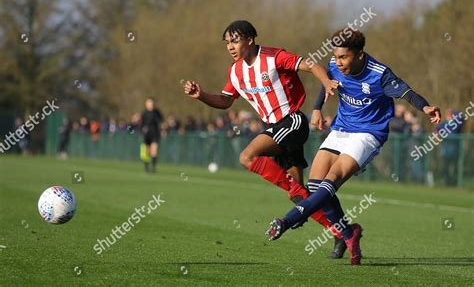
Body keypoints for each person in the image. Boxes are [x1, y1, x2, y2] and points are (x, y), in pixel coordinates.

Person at [265, 28, 441, 265]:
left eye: (343, 57)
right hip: (341, 129)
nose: (338, 62)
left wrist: (426, 107)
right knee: (316, 185)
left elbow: (407, 92)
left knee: (332, 179)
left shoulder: (380, 74)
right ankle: (349, 233)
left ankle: (287, 221)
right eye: (336, 57)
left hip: (368, 134)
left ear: (360, 55)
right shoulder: (336, 64)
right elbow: (327, 81)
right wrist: (317, 107)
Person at [183, 20, 347, 258]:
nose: (230, 46)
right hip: (277, 129)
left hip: (292, 122)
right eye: (227, 42)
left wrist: (326, 82)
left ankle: (310, 206)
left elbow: (311, 65)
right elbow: (226, 101)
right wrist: (201, 96)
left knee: (247, 156)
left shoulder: (273, 57)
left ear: (250, 39)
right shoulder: (235, 71)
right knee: (299, 195)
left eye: (235, 40)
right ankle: (343, 233)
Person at [140, 97, 164, 173]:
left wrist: (163, 130)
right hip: (146, 134)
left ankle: (153, 168)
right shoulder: (144, 113)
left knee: (154, 150)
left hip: (155, 133)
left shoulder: (157, 112)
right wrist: (142, 131)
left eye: (151, 103)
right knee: (146, 152)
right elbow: (141, 124)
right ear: (146, 104)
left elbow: (161, 122)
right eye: (149, 103)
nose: (150, 104)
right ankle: (146, 168)